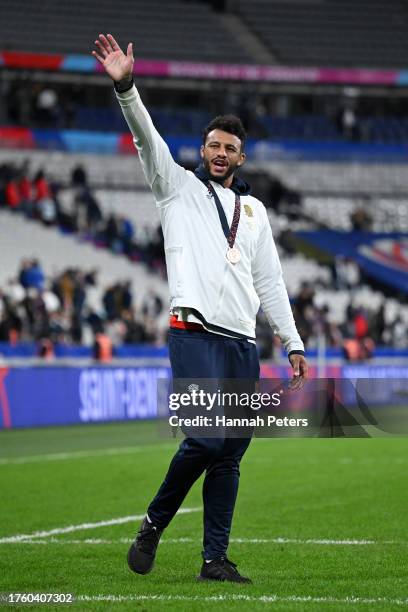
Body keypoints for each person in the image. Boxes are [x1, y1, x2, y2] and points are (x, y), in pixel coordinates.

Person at [93, 34, 308, 583]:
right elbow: (147, 139)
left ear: (241, 156)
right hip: (193, 335)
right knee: (207, 438)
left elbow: (271, 281)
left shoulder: (256, 212)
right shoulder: (177, 189)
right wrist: (127, 89)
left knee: (231, 453)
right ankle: (152, 524)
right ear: (203, 149)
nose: (219, 153)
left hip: (241, 342)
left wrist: (292, 340)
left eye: (229, 148)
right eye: (213, 145)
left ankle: (215, 559)